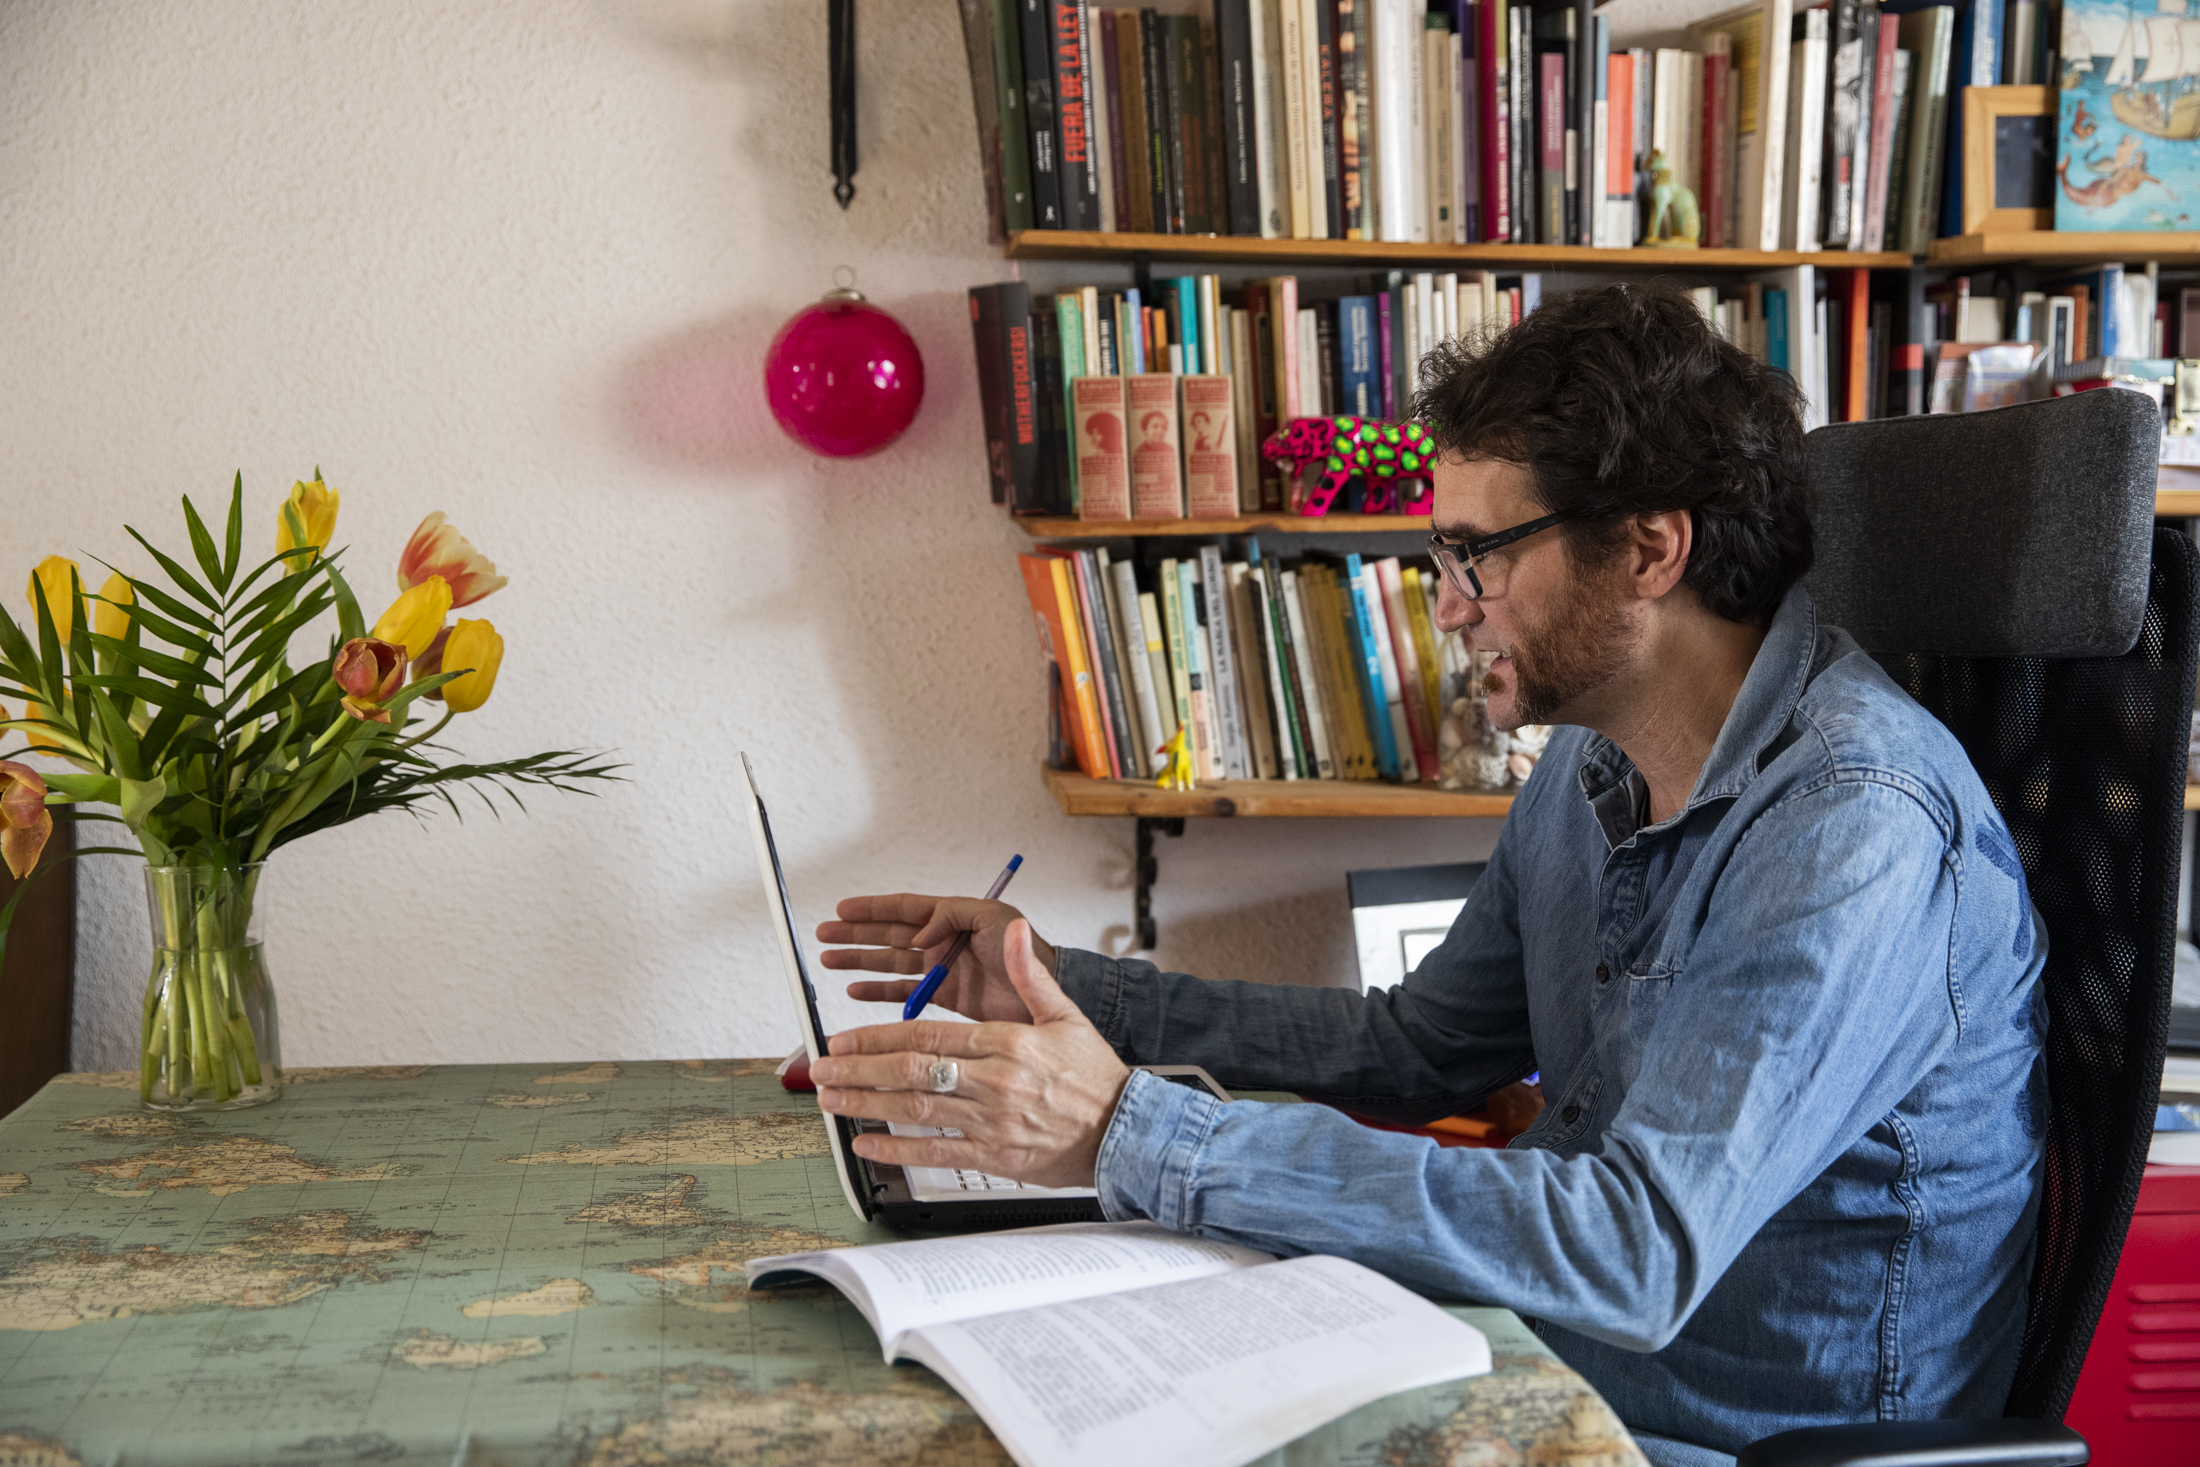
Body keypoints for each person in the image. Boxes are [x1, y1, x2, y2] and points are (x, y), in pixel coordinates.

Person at [808, 281, 2047, 1467]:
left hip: (1712, 1437)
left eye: (1476, 555)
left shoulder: (1852, 824)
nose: (1448, 610)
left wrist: (1130, 1129)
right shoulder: (1594, 759)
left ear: (1649, 549)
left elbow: (1634, 1248)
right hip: (1532, 1358)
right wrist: (1058, 989)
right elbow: (1417, 1048)